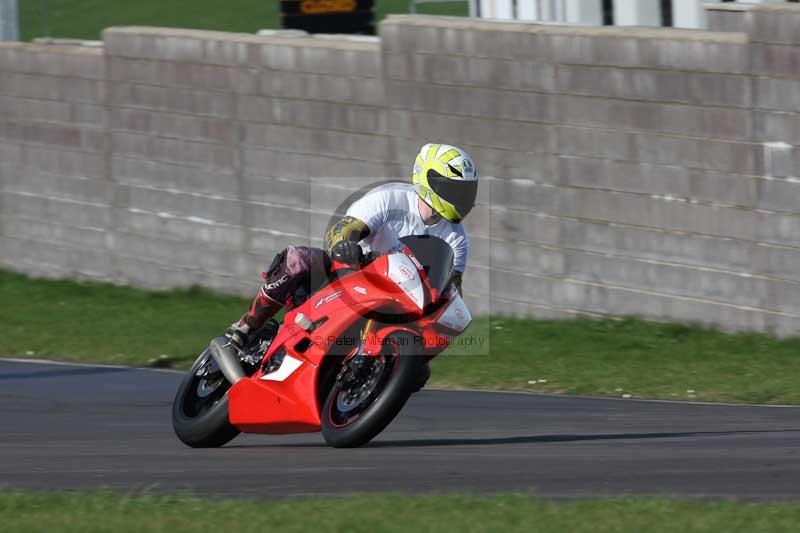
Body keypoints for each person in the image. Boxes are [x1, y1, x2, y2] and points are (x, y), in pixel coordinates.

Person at [226, 143, 479, 370]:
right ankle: (246, 328)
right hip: (353, 275)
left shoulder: (457, 239)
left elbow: (449, 287)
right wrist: (344, 245)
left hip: (399, 304)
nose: (461, 199)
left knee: (418, 372)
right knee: (299, 260)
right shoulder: (390, 198)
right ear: (429, 180)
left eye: (466, 192)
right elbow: (343, 229)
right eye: (455, 190)